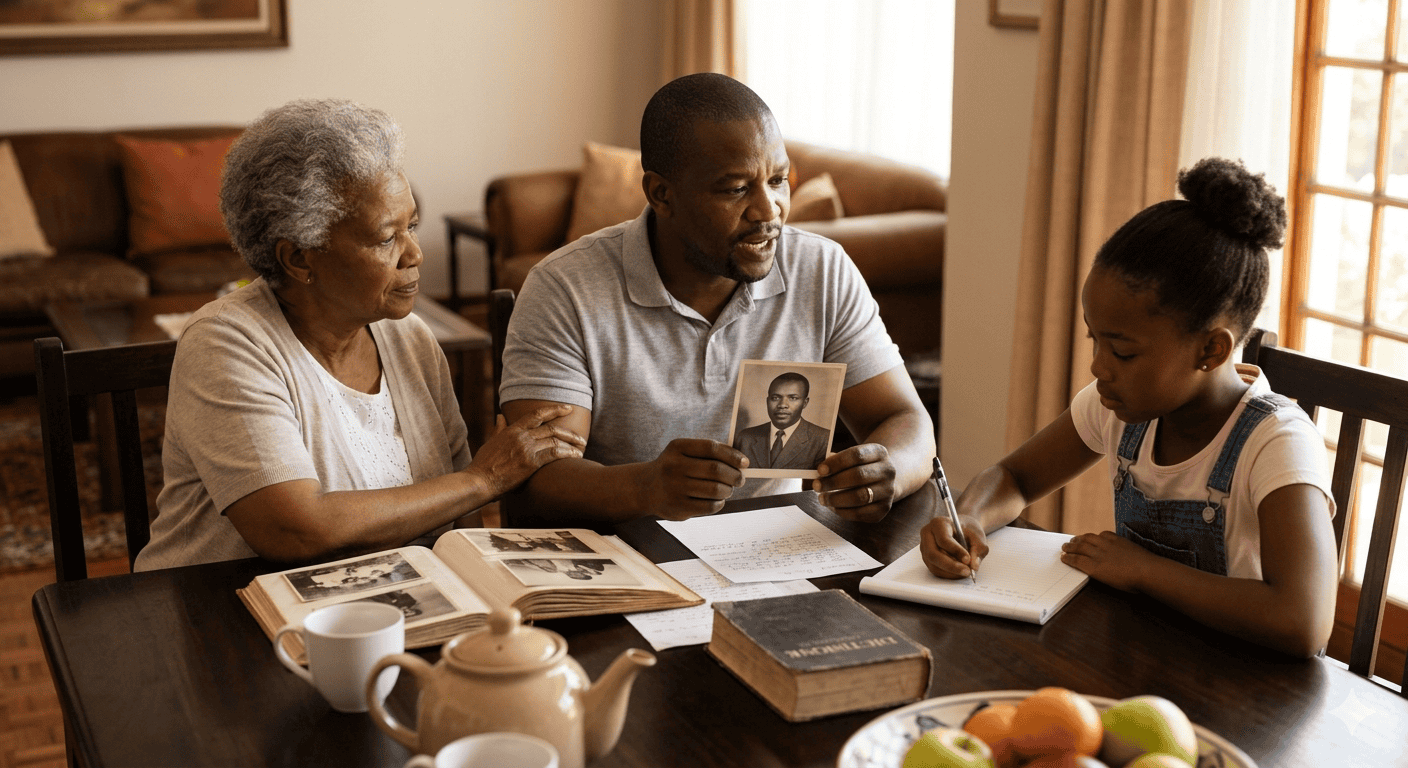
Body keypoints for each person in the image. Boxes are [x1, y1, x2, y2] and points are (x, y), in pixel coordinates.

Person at [135, 98, 585, 571]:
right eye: (386, 237)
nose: (414, 254)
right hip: (219, 610)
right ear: (299, 259)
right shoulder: (226, 344)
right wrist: (485, 479)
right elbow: (294, 529)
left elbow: (455, 516)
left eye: (411, 226)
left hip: (384, 604)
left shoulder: (410, 339)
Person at [919, 158, 1337, 657]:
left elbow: (1302, 620)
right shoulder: (1117, 408)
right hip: (1146, 657)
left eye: (1123, 352)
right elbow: (1016, 478)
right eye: (1095, 340)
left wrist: (1142, 570)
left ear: (1211, 351)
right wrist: (969, 517)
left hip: (1244, 689)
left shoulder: (1276, 443)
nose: (1099, 368)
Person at [499, 73, 935, 525]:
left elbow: (906, 419)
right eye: (736, 188)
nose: (769, 211)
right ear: (661, 194)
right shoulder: (564, 288)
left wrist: (890, 471)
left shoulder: (822, 270)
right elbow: (537, 476)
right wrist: (644, 487)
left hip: (776, 553)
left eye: (779, 180)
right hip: (624, 563)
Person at [733, 372, 830, 470]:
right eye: (775, 398)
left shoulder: (823, 439)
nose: (782, 405)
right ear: (767, 401)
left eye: (793, 398)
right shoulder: (745, 437)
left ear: (805, 403)